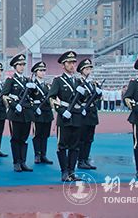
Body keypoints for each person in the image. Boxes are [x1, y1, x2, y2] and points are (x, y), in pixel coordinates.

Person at [47, 50, 84, 182]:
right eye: (69, 63)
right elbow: (51, 98)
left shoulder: (78, 81)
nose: (72, 65)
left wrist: (85, 94)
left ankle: (72, 171)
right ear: (63, 65)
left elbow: (83, 100)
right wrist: (62, 111)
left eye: (74, 62)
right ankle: (64, 171)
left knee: (75, 146)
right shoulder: (58, 81)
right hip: (64, 116)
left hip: (76, 116)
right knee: (62, 145)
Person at [2, 53, 35, 172]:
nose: (22, 67)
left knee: (24, 138)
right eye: (19, 65)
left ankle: (23, 161)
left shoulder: (27, 80)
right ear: (15, 66)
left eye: (23, 65)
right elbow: (4, 95)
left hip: (27, 114)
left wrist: (33, 88)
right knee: (16, 138)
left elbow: (32, 96)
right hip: (15, 114)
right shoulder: (10, 80)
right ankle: (16, 162)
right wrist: (14, 105)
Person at [76, 58, 101, 170]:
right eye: (86, 69)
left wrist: (98, 94)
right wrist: (81, 107)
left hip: (92, 113)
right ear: (81, 70)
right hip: (83, 112)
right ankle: (80, 160)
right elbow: (75, 98)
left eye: (89, 68)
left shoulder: (91, 83)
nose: (88, 70)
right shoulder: (78, 82)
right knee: (82, 138)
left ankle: (86, 159)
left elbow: (95, 98)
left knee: (89, 138)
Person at [30, 61, 53, 165]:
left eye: (44, 70)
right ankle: (37, 154)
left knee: (45, 135)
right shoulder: (32, 85)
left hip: (47, 112)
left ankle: (43, 154)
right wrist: (35, 108)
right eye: (40, 70)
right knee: (37, 134)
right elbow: (29, 99)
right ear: (36, 72)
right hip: (37, 112)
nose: (43, 72)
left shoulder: (47, 86)